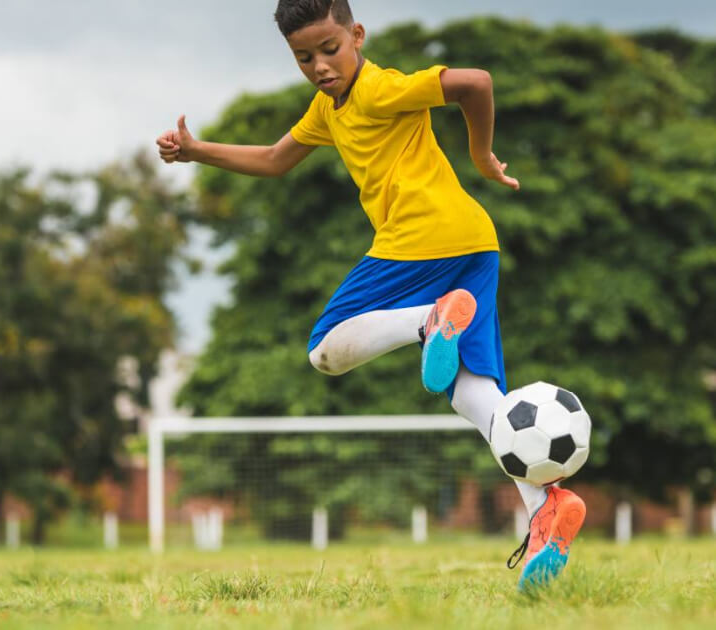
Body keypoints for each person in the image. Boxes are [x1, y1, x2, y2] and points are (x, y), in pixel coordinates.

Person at [156, 0, 585, 590]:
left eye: (330, 50)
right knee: (473, 393)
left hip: (419, 241)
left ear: (357, 35)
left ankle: (428, 322)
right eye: (303, 57)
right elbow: (278, 159)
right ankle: (547, 508)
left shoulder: (382, 90)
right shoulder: (327, 109)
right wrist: (197, 150)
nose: (320, 66)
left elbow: (475, 83)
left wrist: (481, 154)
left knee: (324, 348)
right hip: (475, 242)